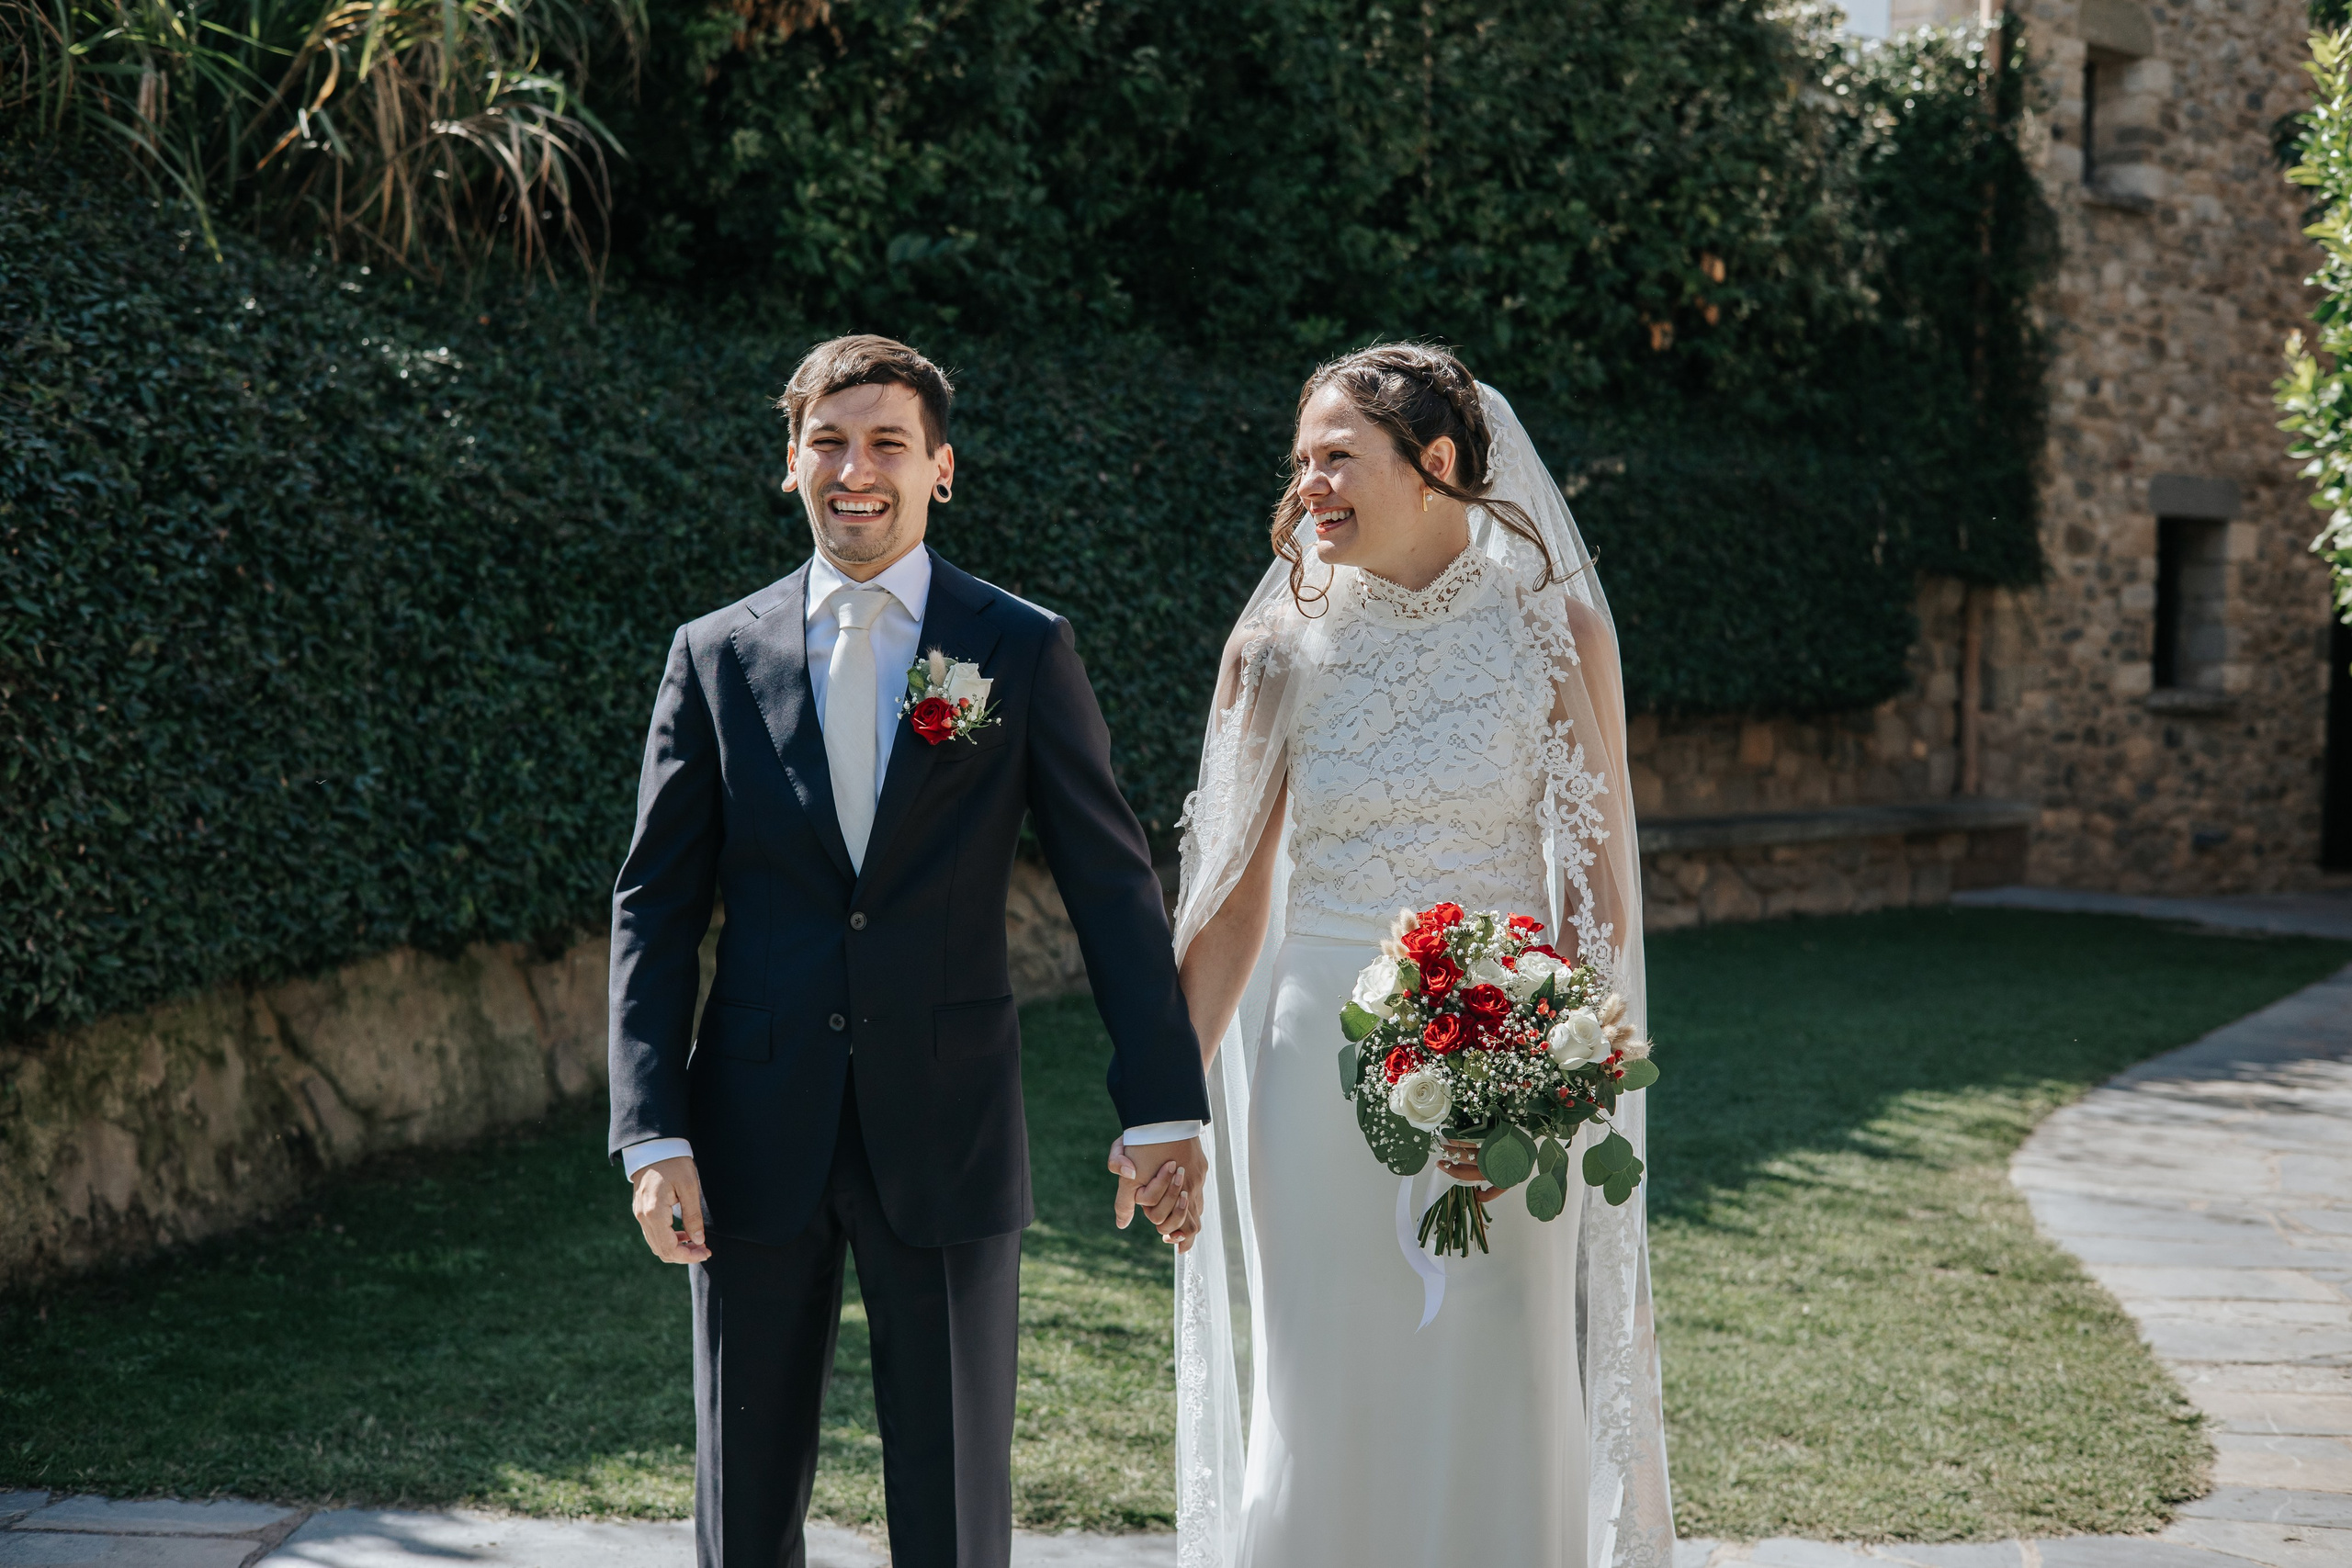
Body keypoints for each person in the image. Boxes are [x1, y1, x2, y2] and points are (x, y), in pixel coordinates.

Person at [607, 334, 1209, 1568]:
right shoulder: (714, 656)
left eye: (887, 442)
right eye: (828, 441)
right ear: (790, 465)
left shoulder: (1021, 648)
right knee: (744, 1492)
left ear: (942, 469)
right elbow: (655, 906)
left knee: (950, 1505)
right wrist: (652, 1133)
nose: (855, 467)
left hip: (950, 1127)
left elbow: (1111, 887)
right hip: (748, 1132)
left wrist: (1161, 1103)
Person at [1124, 344, 1675, 1566]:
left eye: (1337, 458)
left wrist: (1540, 1085)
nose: (1309, 486)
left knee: (1495, 1379)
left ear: (1434, 465)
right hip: (1315, 1069)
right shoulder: (1276, 651)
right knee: (1326, 1386)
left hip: (1505, 1078)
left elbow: (1594, 899)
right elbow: (1226, 905)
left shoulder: (1554, 633)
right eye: (1299, 462)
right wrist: (1165, 1106)